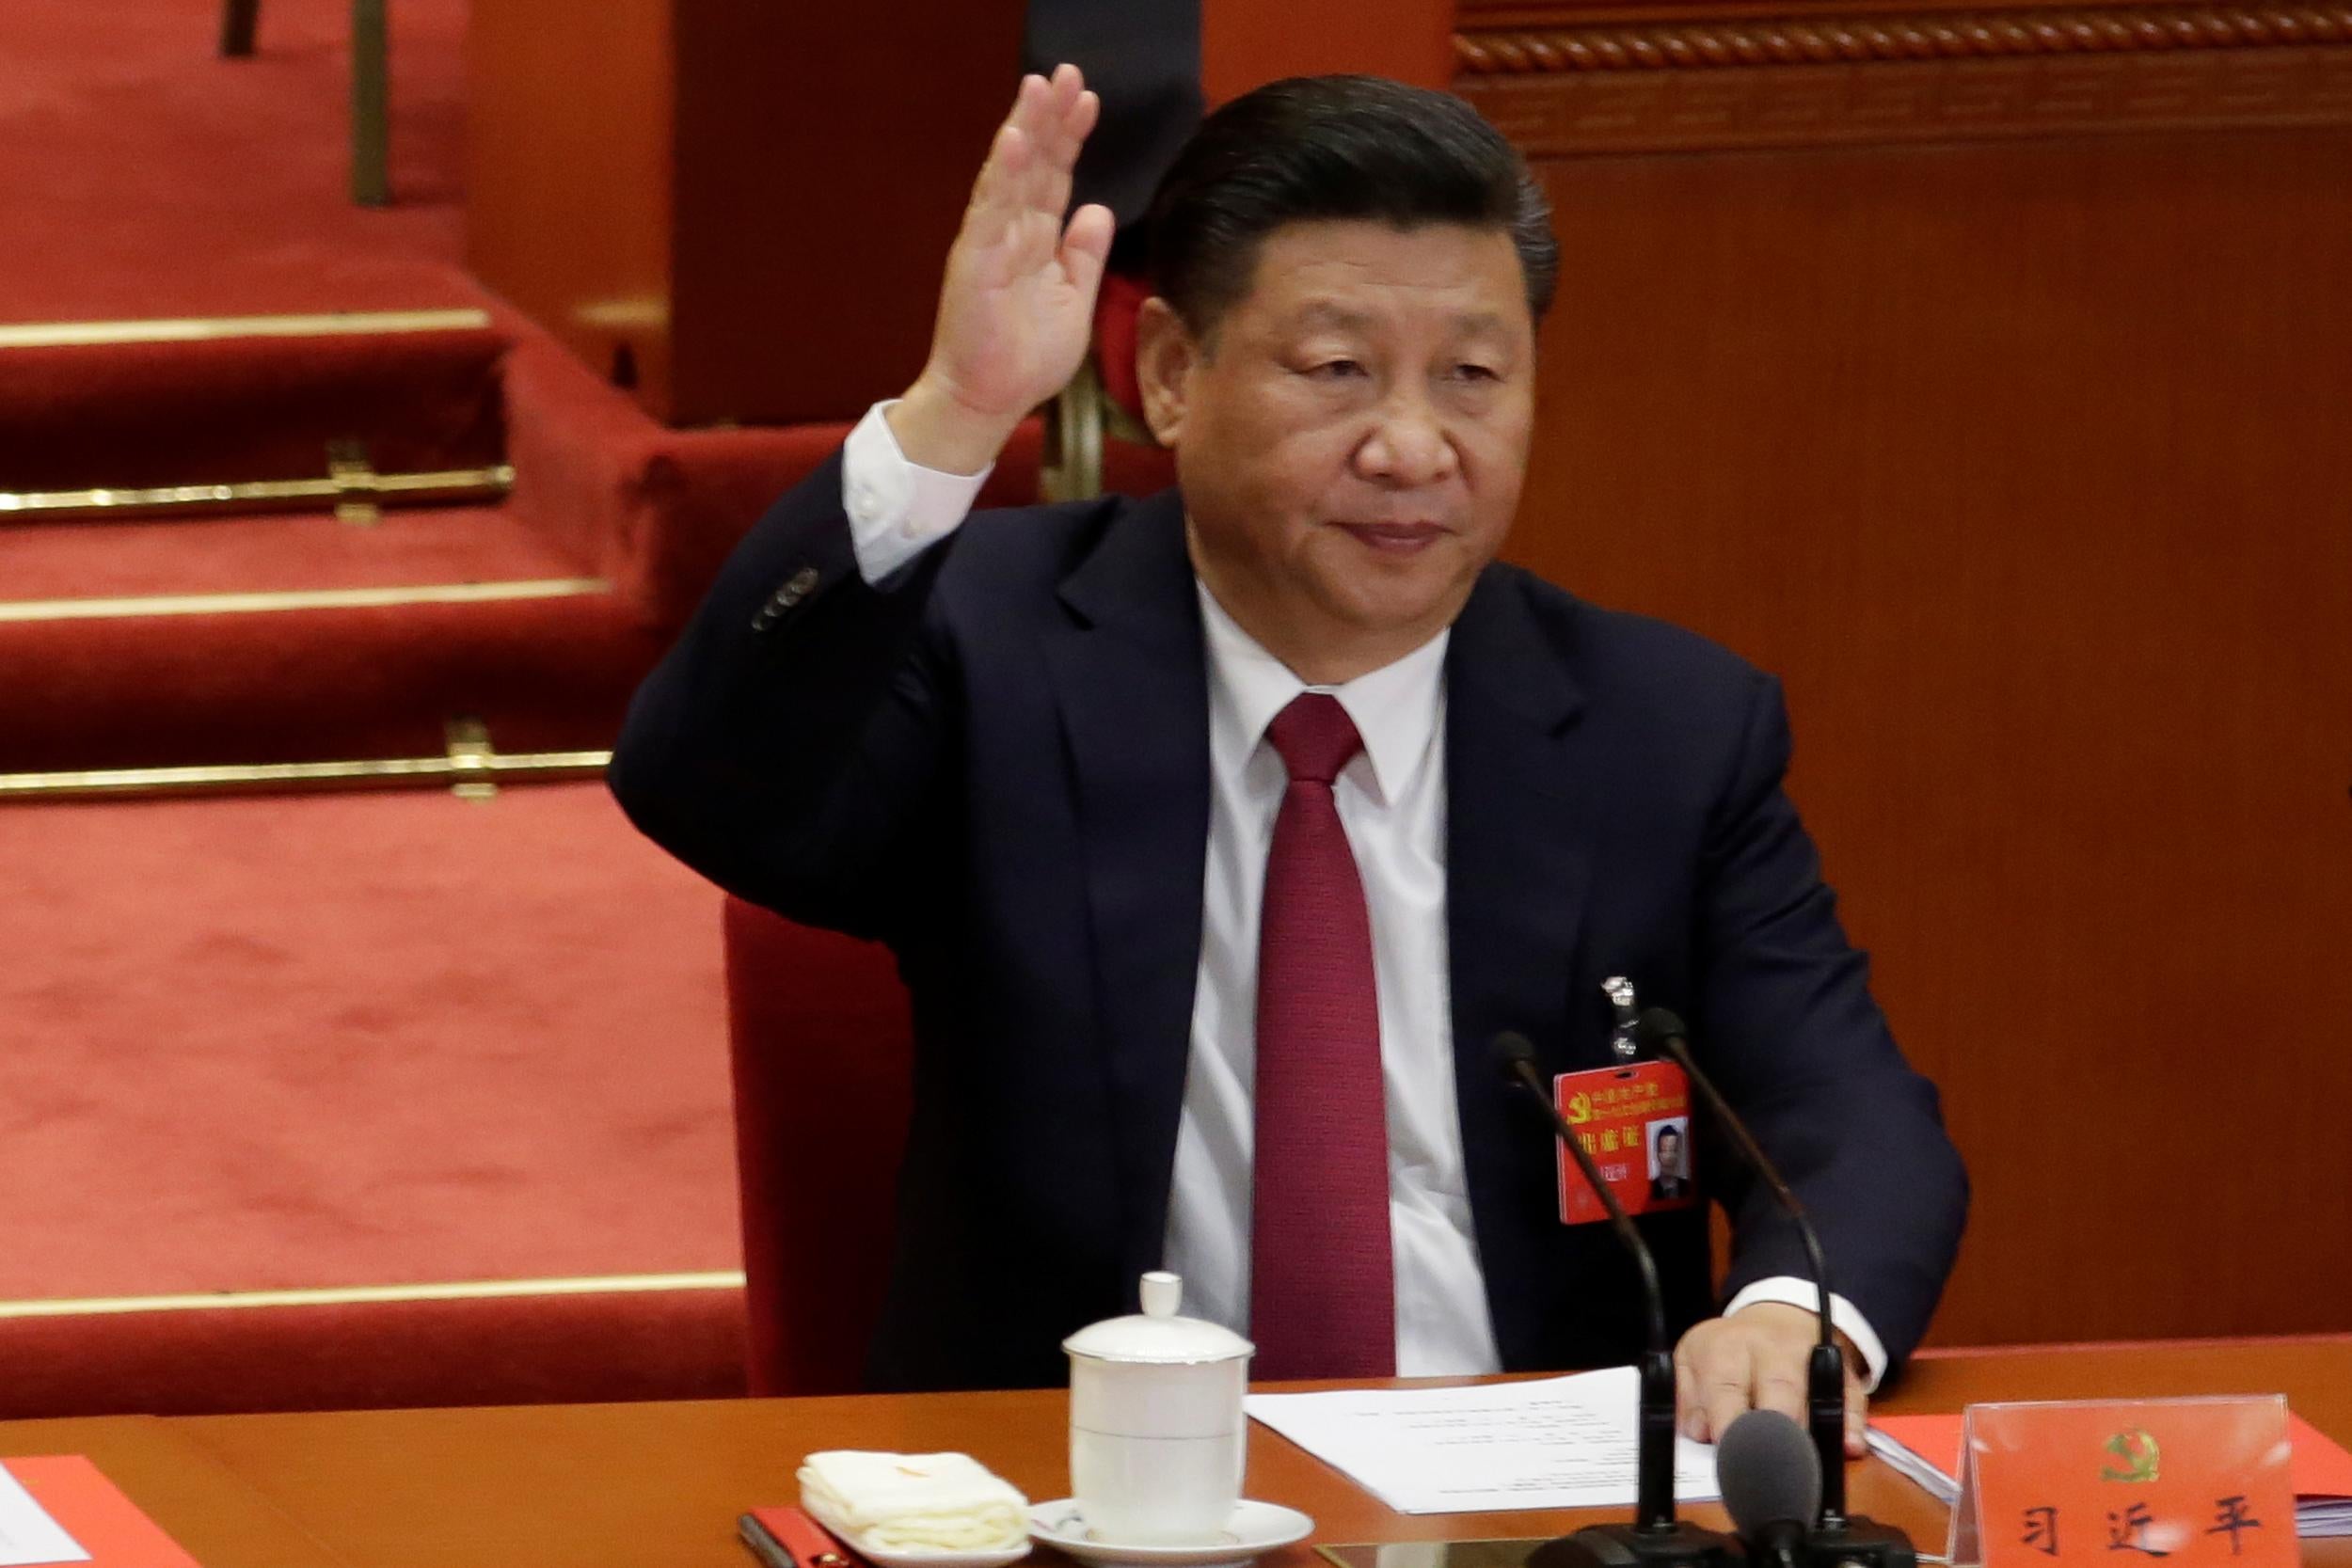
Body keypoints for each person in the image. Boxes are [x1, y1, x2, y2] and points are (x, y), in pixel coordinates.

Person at [610, 67, 1967, 1452]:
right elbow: (709, 785)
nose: (1411, 445)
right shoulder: (995, 642)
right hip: (1095, 1490)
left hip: (1535, 1496)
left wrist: (1798, 1307)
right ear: (1172, 378)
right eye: (1336, 371)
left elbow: (1848, 1117)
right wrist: (955, 413)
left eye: (1474, 377)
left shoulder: (1662, 726)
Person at [1649, 1121, 1692, 1203]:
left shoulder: (1689, 1187)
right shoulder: (1649, 1189)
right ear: (1657, 1154)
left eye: (1673, 1150)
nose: (1669, 1157)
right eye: (1664, 1150)